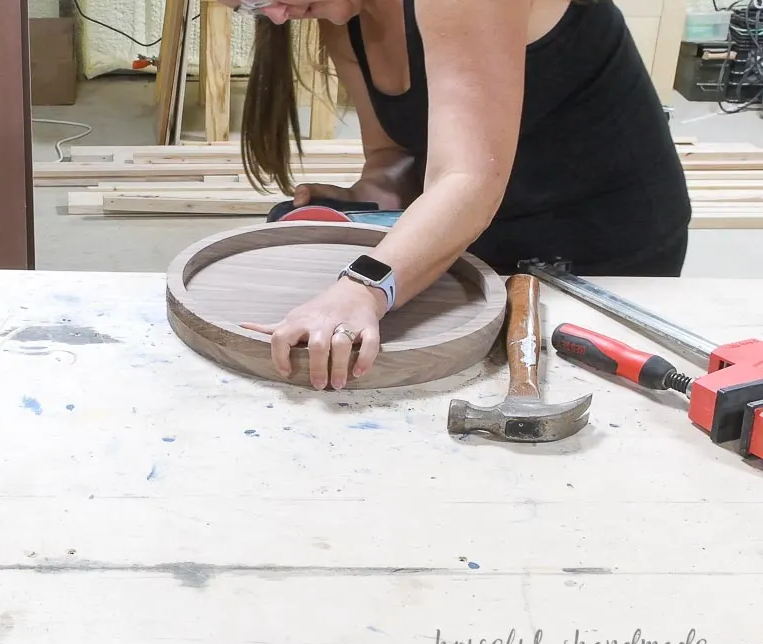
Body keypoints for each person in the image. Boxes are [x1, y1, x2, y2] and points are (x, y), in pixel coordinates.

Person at [217, 0, 691, 391]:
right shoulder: (345, 23)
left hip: (600, 244)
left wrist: (363, 285)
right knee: (295, 224)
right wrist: (360, 206)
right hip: (486, 233)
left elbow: (469, 179)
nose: (274, 16)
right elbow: (393, 157)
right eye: (246, 8)